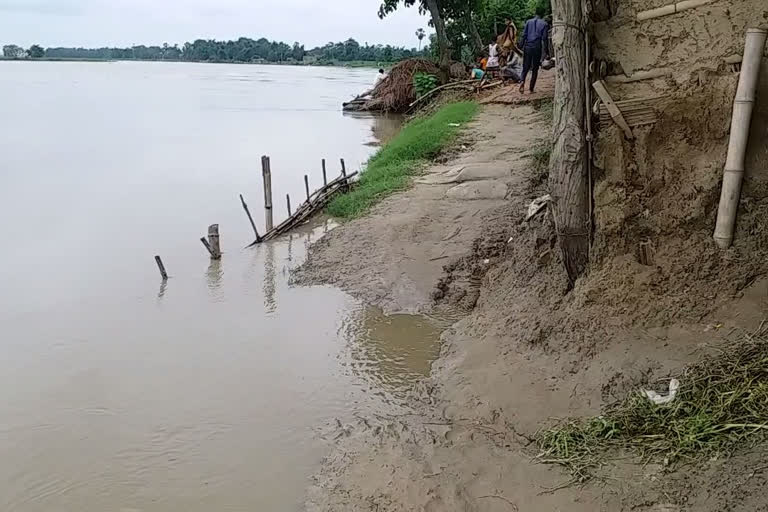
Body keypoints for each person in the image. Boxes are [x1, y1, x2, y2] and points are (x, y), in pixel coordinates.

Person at [519, 6, 550, 94]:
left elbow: (524, 35)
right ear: (543, 14)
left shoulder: (528, 22)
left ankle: (522, 81)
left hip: (528, 46)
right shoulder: (544, 24)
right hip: (537, 47)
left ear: (535, 13)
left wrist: (520, 46)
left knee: (525, 66)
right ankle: (531, 89)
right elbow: (544, 39)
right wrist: (546, 52)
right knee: (535, 68)